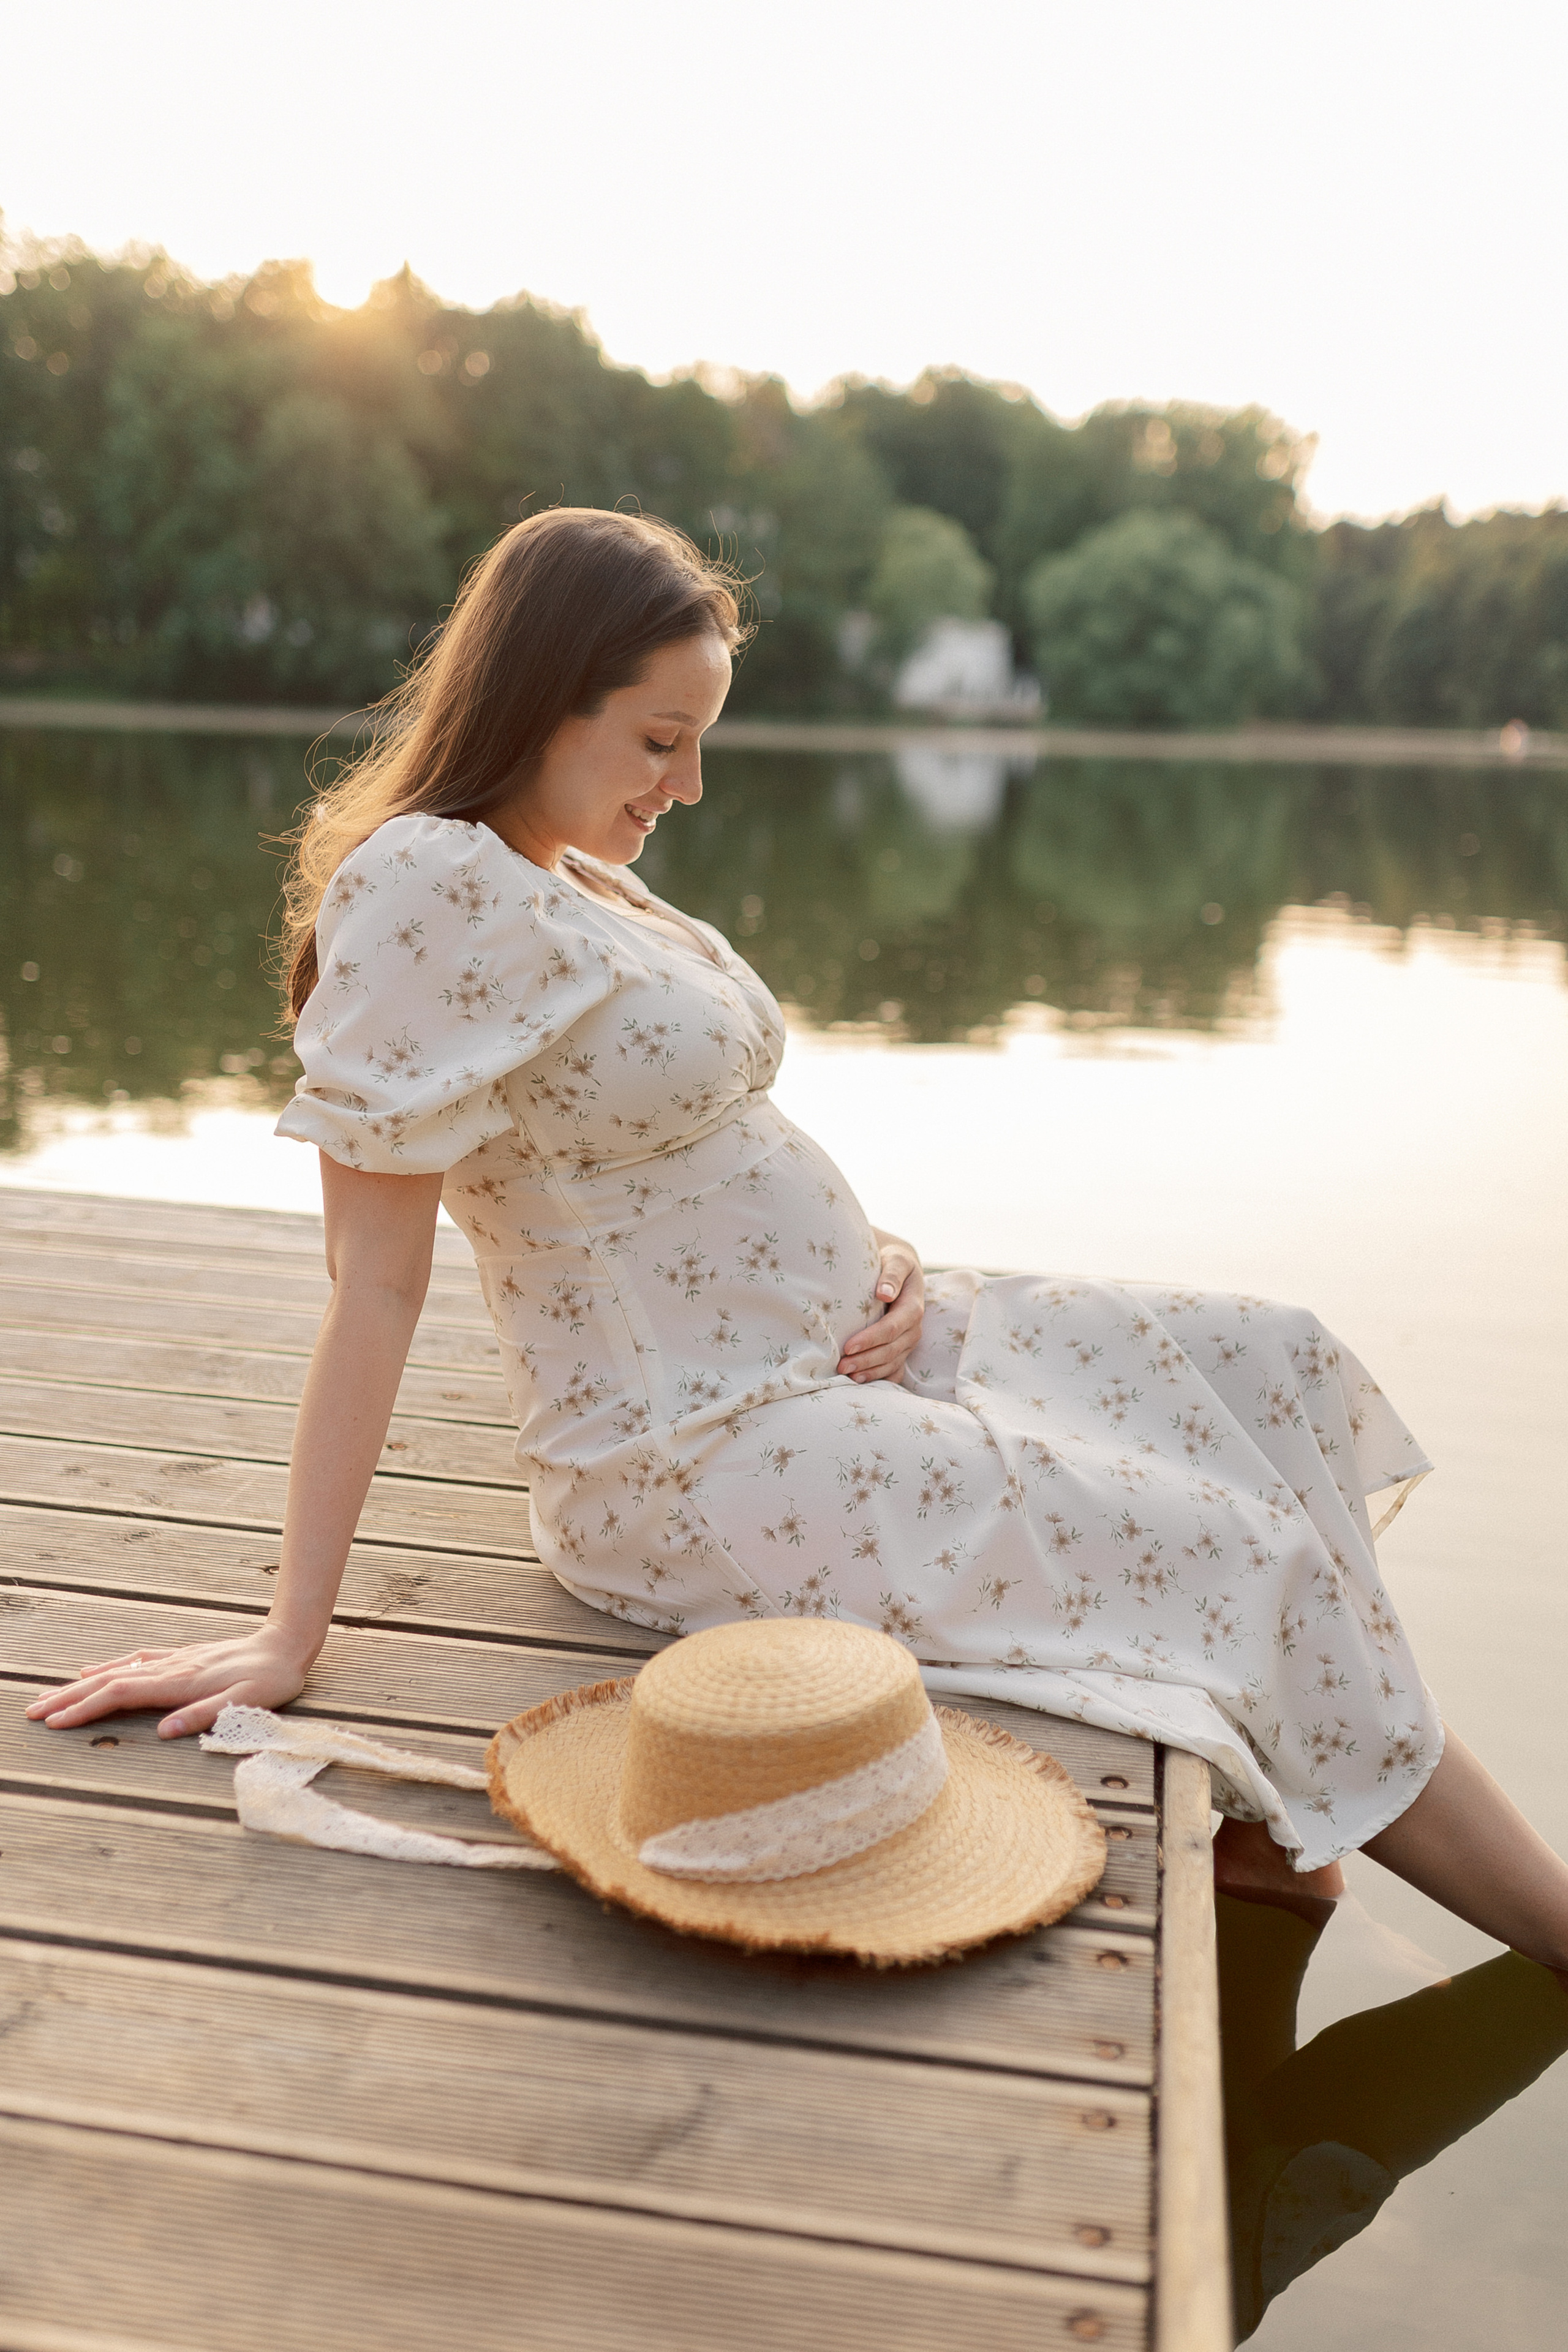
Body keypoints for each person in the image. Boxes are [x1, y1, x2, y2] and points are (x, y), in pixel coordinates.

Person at [28, 509, 1568, 1974]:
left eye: (700, 741)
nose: (687, 786)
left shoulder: (574, 877)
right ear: (533, 701)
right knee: (1238, 1558)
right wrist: (292, 1631)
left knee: (1267, 1363)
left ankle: (1281, 1832)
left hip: (853, 1338)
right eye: (657, 740)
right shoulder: (429, 891)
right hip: (698, 1454)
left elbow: (690, 1153)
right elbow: (371, 1287)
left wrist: (872, 1255)